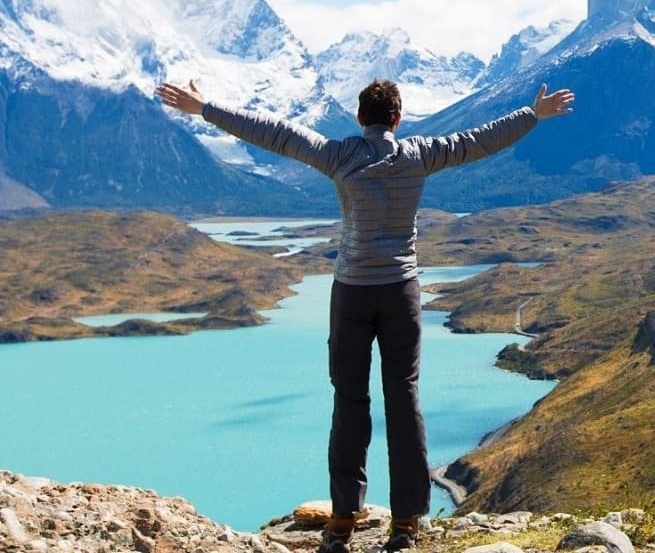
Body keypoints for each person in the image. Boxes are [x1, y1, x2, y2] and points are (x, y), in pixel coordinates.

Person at [156, 78, 574, 553]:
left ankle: (341, 522)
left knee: (349, 401)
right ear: (398, 119)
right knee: (404, 399)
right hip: (401, 292)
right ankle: (406, 522)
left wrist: (206, 108)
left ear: (359, 118)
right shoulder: (420, 154)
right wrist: (532, 114)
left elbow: (275, 132)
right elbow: (479, 141)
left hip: (352, 294)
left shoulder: (338, 156)